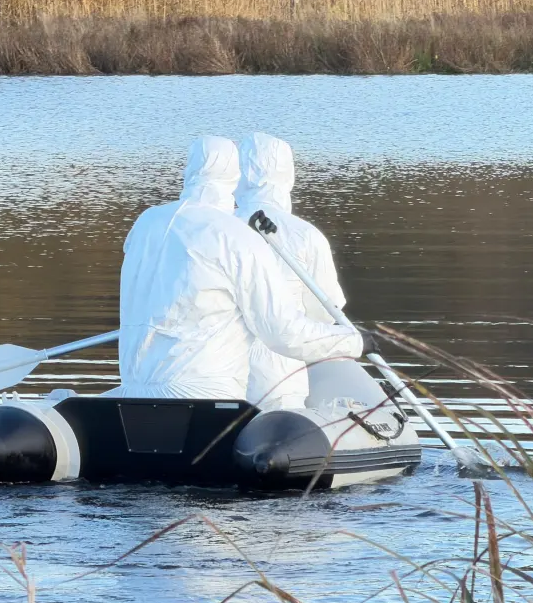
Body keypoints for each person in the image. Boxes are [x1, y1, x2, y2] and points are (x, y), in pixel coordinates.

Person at [111, 135, 363, 400]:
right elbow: (300, 324)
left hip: (141, 384)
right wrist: (352, 340)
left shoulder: (148, 224)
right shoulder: (243, 235)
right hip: (232, 387)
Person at [234, 133, 348, 410]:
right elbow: (325, 311)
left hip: (216, 375)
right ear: (288, 175)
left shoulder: (212, 228)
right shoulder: (306, 235)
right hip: (279, 378)